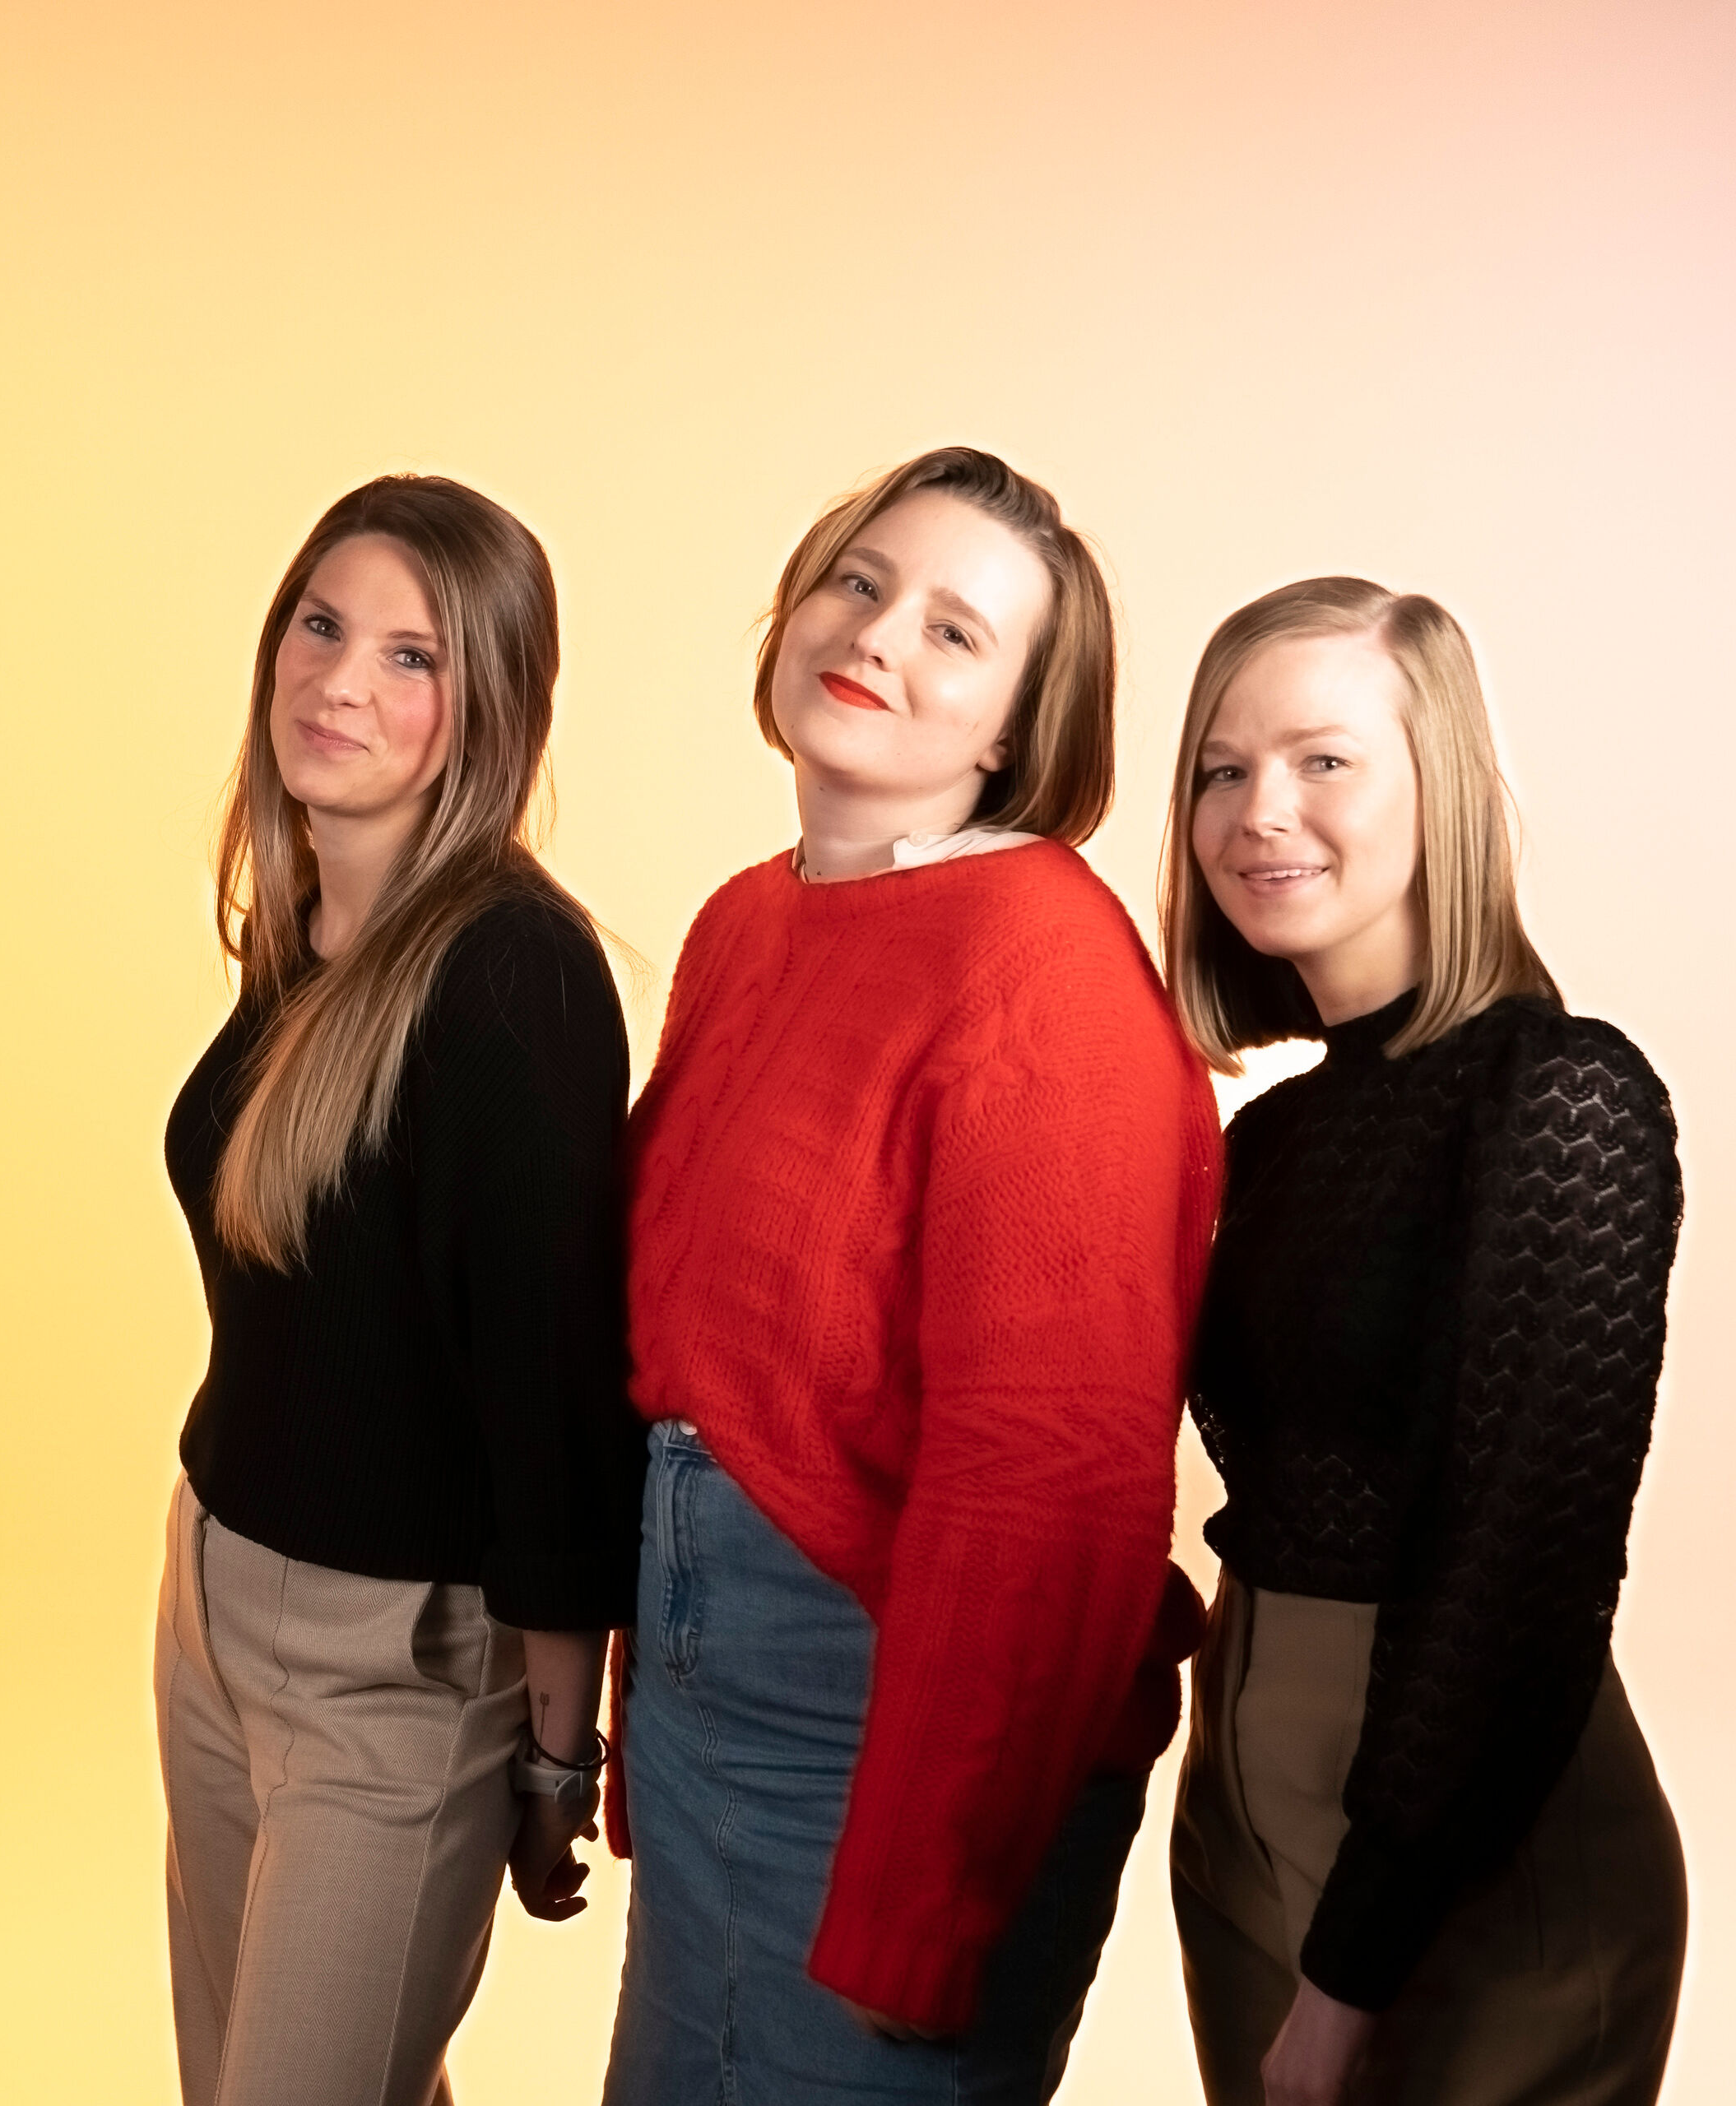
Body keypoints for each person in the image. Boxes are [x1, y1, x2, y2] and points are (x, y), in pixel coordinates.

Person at [602, 446, 1220, 2102]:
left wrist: (927, 1903)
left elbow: (1052, 1478)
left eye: (956, 630)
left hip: (891, 1730)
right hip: (715, 1708)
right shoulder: (748, 920)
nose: (877, 635)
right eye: (860, 583)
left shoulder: (1044, 970)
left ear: (1018, 724)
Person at [1163, 578, 1686, 2106]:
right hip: (1243, 1798)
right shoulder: (1270, 1141)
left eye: (1323, 760)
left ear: (1437, 787)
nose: (1261, 812)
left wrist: (1349, 1977)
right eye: (1221, 770)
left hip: (1467, 1848)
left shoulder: (1564, 1095)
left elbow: (1520, 1568)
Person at [155, 474, 643, 2106]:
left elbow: (553, 1387)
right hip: (213, 1602)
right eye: (320, 624)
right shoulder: (305, 930)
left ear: (487, 707)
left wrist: (558, 1748)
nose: (339, 681)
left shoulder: (514, 974)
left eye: (411, 655)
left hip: (397, 1664)